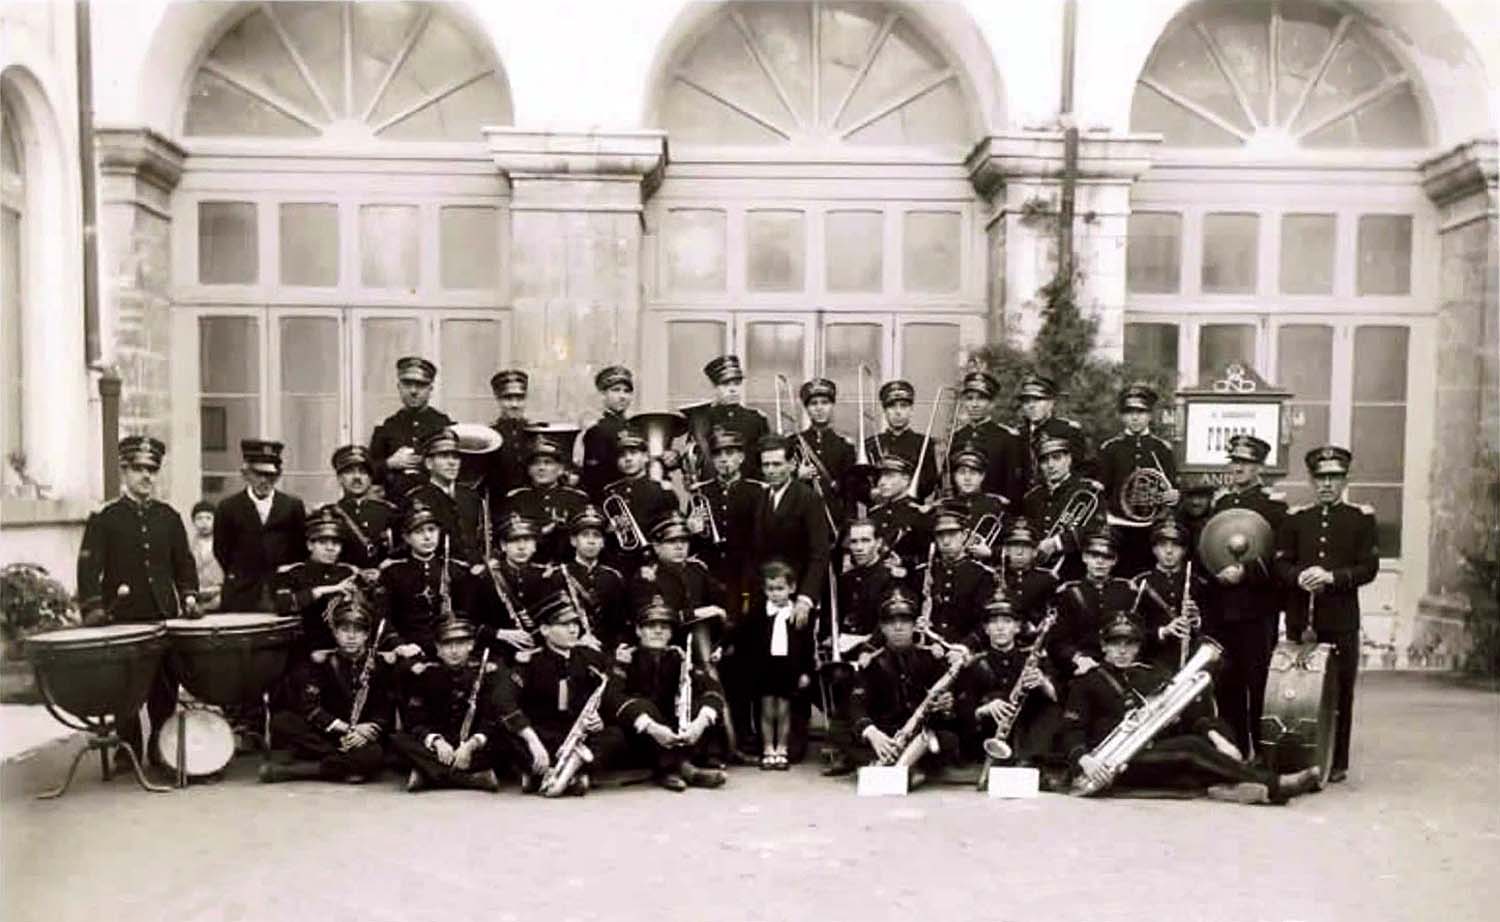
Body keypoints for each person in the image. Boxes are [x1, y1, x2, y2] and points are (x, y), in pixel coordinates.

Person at [1063, 613, 1321, 805]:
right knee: (1190, 750)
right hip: (1114, 762)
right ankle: (1275, 785)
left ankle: (1231, 787)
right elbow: (1071, 731)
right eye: (1115, 643)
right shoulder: (1087, 682)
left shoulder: (1150, 675)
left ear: (1138, 647)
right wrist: (1087, 761)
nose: (1122, 650)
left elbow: (1190, 715)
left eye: (1129, 644)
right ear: (1104, 646)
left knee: (1205, 741)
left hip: (1152, 750)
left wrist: (1218, 739)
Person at [76, 435, 199, 768]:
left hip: (162, 613)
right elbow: (88, 567)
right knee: (126, 687)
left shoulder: (168, 517)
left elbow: (183, 563)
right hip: (123, 616)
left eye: (152, 470)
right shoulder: (106, 517)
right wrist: (93, 607)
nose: (147, 476)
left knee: (164, 686)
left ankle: (161, 746)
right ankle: (126, 748)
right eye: (139, 469)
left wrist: (188, 595)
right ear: (124, 472)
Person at [1275, 445, 1379, 784]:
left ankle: (1337, 760)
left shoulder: (1360, 518)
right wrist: (1298, 577)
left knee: (1340, 689)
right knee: (1295, 688)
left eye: (1334, 477)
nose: (1327, 484)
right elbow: (1281, 562)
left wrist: (1333, 578)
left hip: (1341, 618)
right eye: (1320, 477)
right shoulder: (1296, 519)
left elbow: (1369, 567)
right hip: (1301, 618)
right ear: (1310, 480)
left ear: (1345, 480)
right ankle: (1298, 755)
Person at [1205, 433, 1287, 754]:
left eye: (1246, 462)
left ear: (1258, 467)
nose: (1238, 467)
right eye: (1235, 461)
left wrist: (1247, 572)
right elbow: (1210, 548)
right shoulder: (1222, 504)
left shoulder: (1273, 508)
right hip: (1223, 607)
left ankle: (1262, 753)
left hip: (1257, 607)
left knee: (1259, 682)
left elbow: (1278, 556)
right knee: (1227, 682)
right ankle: (1235, 751)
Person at [259, 594, 394, 784]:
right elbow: (310, 707)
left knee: (373, 753)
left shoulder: (378, 664)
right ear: (335, 633)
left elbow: (385, 708)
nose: (351, 636)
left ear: (366, 635)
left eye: (358, 631)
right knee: (283, 721)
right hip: (332, 732)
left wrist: (365, 732)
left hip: (361, 737)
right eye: (345, 630)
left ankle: (295, 771)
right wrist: (348, 729)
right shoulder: (321, 663)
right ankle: (344, 764)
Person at [847, 588, 966, 790]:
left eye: (905, 622)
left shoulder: (932, 658)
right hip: (887, 733)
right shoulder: (871, 664)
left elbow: (950, 705)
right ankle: (912, 767)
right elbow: (856, 705)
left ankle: (899, 765)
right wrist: (873, 733)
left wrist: (947, 705)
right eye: (891, 623)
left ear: (914, 627)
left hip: (921, 731)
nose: (899, 627)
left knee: (950, 739)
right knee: (841, 732)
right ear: (882, 628)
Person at [509, 592, 625, 797]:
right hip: (542, 734)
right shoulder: (530, 662)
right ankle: (573, 777)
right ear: (545, 630)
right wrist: (533, 741)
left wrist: (600, 718)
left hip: (578, 733)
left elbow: (612, 687)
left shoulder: (590, 657)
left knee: (615, 735)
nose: (573, 630)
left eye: (575, 624)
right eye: (564, 625)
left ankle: (551, 775)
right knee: (506, 733)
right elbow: (505, 701)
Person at [390, 619, 524, 792]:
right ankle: (473, 778)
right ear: (437, 649)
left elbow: (492, 719)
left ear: (471, 645)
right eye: (447, 645)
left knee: (507, 741)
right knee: (397, 740)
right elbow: (416, 720)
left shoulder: (487, 673)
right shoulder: (426, 674)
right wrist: (437, 742)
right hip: (441, 745)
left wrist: (470, 745)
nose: (454, 651)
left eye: (460, 644)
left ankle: (430, 775)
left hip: (475, 745)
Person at [612, 597, 729, 792]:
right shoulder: (626, 659)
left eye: (664, 627)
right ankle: (683, 769)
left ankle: (681, 766)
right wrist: (651, 726)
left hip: (677, 734)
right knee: (642, 705)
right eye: (650, 626)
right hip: (640, 736)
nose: (658, 631)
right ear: (638, 631)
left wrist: (700, 722)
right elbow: (612, 698)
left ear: (671, 633)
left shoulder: (679, 658)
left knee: (703, 704)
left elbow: (713, 689)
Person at [818, 518, 897, 776]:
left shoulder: (888, 578)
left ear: (879, 543)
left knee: (856, 683)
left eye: (866, 541)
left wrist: (866, 644)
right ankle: (846, 746)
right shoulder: (844, 579)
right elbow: (833, 616)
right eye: (854, 541)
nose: (859, 547)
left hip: (877, 650)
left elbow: (889, 621)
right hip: (845, 648)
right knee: (824, 676)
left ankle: (854, 750)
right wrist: (830, 638)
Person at [957, 591, 1062, 770]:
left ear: (1017, 627)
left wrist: (1043, 682)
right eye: (994, 622)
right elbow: (963, 708)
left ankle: (1029, 760)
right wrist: (984, 709)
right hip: (989, 733)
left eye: (1007, 622)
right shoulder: (974, 664)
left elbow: (1057, 697)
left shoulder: (1035, 658)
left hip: (1027, 732)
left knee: (1050, 711)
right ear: (986, 629)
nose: (1000, 628)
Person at [214, 439, 307, 612]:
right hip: (241, 592)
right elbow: (221, 549)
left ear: (278, 475)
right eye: (258, 474)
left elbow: (300, 548)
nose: (264, 481)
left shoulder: (292, 506)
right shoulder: (228, 507)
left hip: (281, 591)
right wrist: (242, 572)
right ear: (245, 473)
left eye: (270, 475)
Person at [378, 503, 480, 660]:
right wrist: (398, 644)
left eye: (432, 530)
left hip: (451, 647)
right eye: (419, 532)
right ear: (406, 538)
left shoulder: (456, 570)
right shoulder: (393, 573)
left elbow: (468, 615)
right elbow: (384, 616)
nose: (427, 537)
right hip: (410, 648)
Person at [1098, 383, 1180, 578]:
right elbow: (1102, 490)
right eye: (1129, 412)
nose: (1135, 417)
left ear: (1150, 415)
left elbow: (1173, 488)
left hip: (1151, 529)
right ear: (1121, 416)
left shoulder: (1162, 449)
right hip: (1118, 528)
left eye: (1141, 412)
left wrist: (1174, 496)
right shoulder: (1110, 449)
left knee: (1148, 579)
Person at [745, 560, 813, 770]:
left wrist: (805, 672)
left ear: (792, 588)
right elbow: (745, 637)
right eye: (770, 589)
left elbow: (807, 646)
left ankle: (782, 748)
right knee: (766, 710)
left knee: (784, 710)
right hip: (765, 668)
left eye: (780, 588)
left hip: (788, 668)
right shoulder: (759, 613)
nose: (775, 594)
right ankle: (768, 748)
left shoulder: (798, 615)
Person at [1049, 529, 1137, 685]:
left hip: (1122, 666)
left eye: (1107, 557)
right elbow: (1058, 642)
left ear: (1115, 560)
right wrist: (1079, 658)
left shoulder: (1127, 590)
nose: (1100, 562)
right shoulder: (1069, 593)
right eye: (1094, 556)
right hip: (1084, 668)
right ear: (1084, 557)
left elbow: (1137, 633)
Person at [271, 507, 362, 655]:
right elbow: (283, 605)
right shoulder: (292, 574)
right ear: (310, 545)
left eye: (336, 543)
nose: (330, 548)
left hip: (343, 650)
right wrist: (322, 590)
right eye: (323, 542)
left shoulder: (349, 572)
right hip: (304, 649)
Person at [1022, 434, 1103, 583]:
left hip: (1076, 572)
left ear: (1068, 459)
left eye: (1056, 458)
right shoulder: (1032, 497)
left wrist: (1057, 542)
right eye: (1045, 461)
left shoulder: (1088, 491)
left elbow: (1098, 530)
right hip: (1038, 574)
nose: (1050, 465)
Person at [368, 356, 454, 498]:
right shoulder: (387, 426)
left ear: (430, 389)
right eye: (407, 384)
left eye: (420, 385)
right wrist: (390, 464)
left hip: (435, 502)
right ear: (399, 387)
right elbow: (369, 471)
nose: (413, 391)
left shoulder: (443, 424)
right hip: (396, 505)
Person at [1132, 519, 1210, 671]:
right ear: (1154, 549)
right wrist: (1163, 631)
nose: (1169, 551)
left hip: (1193, 662)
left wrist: (1197, 621)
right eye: (1162, 545)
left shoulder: (1199, 583)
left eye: (1175, 545)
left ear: (1184, 550)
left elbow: (1214, 627)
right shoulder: (1139, 583)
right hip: (1153, 661)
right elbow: (1132, 630)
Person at [501, 435, 590, 566]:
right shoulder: (516, 498)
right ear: (529, 470)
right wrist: (543, 531)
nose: (541, 468)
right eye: (536, 463)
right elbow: (508, 536)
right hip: (528, 567)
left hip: (567, 567)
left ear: (560, 469)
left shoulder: (577, 498)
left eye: (548, 462)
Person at [913, 507, 996, 646]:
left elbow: (985, 622)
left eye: (952, 534)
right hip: (927, 648)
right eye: (940, 535)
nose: (946, 541)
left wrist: (965, 647)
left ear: (964, 535)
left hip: (964, 651)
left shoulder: (981, 575)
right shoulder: (923, 572)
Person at [403, 428, 485, 564]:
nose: (452, 462)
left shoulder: (471, 496)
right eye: (444, 456)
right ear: (429, 463)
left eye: (455, 457)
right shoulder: (417, 498)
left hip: (475, 574)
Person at [558, 507, 631, 656]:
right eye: (585, 535)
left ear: (603, 542)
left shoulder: (614, 578)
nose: (591, 541)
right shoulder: (557, 576)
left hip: (608, 651)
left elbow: (621, 622)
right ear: (573, 541)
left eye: (597, 536)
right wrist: (578, 641)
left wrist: (619, 647)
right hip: (570, 650)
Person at [601, 428, 679, 567]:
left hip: (653, 562)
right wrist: (610, 528)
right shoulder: (610, 491)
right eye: (622, 455)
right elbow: (601, 530)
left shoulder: (661, 490)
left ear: (645, 457)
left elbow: (672, 529)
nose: (628, 458)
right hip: (618, 561)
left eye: (634, 453)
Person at [949, 369, 1025, 507]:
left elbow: (1014, 485)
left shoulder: (1006, 438)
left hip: (995, 511)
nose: (974, 404)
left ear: (992, 403)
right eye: (970, 398)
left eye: (981, 398)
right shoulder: (957, 436)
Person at [480, 513, 553, 653]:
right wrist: (500, 633)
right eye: (514, 541)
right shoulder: (486, 577)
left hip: (540, 650)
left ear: (535, 546)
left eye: (527, 540)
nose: (521, 547)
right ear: (503, 546)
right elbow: (472, 623)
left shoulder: (546, 577)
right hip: (498, 651)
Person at [327, 444, 400, 572]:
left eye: (363, 472)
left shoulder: (390, 513)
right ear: (339, 478)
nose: (357, 477)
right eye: (349, 472)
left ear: (370, 478)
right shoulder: (330, 515)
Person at [1013, 372, 1092, 490]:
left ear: (1051, 403)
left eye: (1038, 400)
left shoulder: (1068, 431)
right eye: (1026, 401)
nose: (1031, 406)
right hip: (1025, 501)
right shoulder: (1017, 435)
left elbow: (1083, 470)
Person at [865, 379, 939, 501]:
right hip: (879, 513)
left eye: (903, 406)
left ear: (911, 410)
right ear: (884, 411)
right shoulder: (871, 444)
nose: (898, 412)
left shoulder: (924, 443)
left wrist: (900, 491)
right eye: (892, 406)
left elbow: (929, 481)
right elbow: (862, 483)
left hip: (911, 513)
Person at [701, 354, 770, 481]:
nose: (733, 389)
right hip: (713, 490)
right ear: (715, 388)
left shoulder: (756, 419)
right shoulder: (703, 418)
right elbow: (693, 457)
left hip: (750, 490)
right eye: (726, 384)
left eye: (737, 384)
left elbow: (765, 459)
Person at [796, 377, 856, 523]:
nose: (819, 408)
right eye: (813, 404)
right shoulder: (794, 442)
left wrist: (849, 524)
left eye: (825, 403)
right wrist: (797, 476)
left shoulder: (844, 445)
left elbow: (850, 491)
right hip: (800, 516)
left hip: (833, 517)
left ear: (832, 406)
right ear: (806, 408)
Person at [474, 369, 533, 509]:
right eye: (508, 398)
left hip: (533, 507)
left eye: (520, 398)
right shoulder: (488, 436)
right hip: (500, 508)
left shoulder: (536, 433)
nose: (514, 404)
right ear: (497, 399)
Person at [866, 456, 931, 581]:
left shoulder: (918, 515)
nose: (881, 482)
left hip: (906, 582)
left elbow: (927, 557)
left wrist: (903, 562)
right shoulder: (875, 514)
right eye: (880, 477)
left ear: (906, 480)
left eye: (890, 476)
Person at [941, 447, 1010, 564]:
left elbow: (1012, 548)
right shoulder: (944, 506)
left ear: (982, 476)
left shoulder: (996, 507)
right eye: (962, 472)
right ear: (954, 476)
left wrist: (991, 552)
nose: (967, 478)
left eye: (973, 473)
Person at [580, 366, 635, 502]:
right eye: (615, 390)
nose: (622, 396)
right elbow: (594, 479)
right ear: (603, 394)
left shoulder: (636, 427)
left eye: (627, 391)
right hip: (611, 500)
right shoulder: (597, 431)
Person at [995, 518, 1060, 633]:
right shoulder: (994, 577)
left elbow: (1054, 614)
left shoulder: (1047, 580)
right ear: (1007, 551)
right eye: (1015, 546)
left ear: (1035, 552)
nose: (1019, 552)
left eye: (1025, 547)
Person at [189, 499, 223, 612]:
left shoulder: (223, 543)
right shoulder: (189, 546)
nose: (204, 522)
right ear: (193, 521)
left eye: (208, 518)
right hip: (197, 593)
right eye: (199, 518)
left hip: (219, 592)